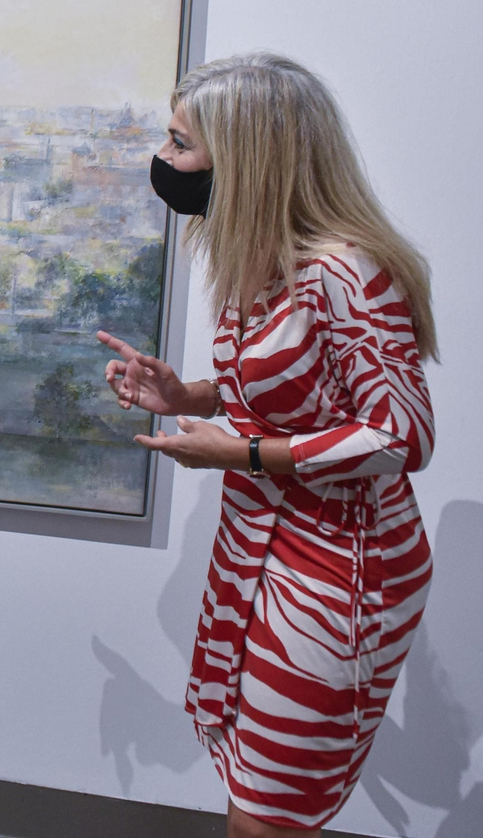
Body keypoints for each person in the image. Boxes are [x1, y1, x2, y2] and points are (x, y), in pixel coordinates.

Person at [98, 53, 437, 838]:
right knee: (257, 788)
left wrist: (241, 455)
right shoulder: (262, 262)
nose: (165, 160)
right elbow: (295, 391)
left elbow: (401, 432)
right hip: (262, 548)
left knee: (268, 816)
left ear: (246, 154)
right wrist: (187, 396)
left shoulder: (348, 272)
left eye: (180, 144)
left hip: (338, 571)